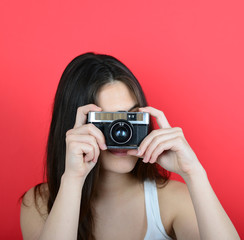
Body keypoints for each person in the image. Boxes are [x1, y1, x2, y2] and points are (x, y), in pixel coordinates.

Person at [20, 52, 240, 240]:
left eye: (130, 118)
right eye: (107, 121)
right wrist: (73, 180)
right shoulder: (38, 204)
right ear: (75, 126)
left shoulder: (172, 199)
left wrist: (195, 173)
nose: (121, 132)